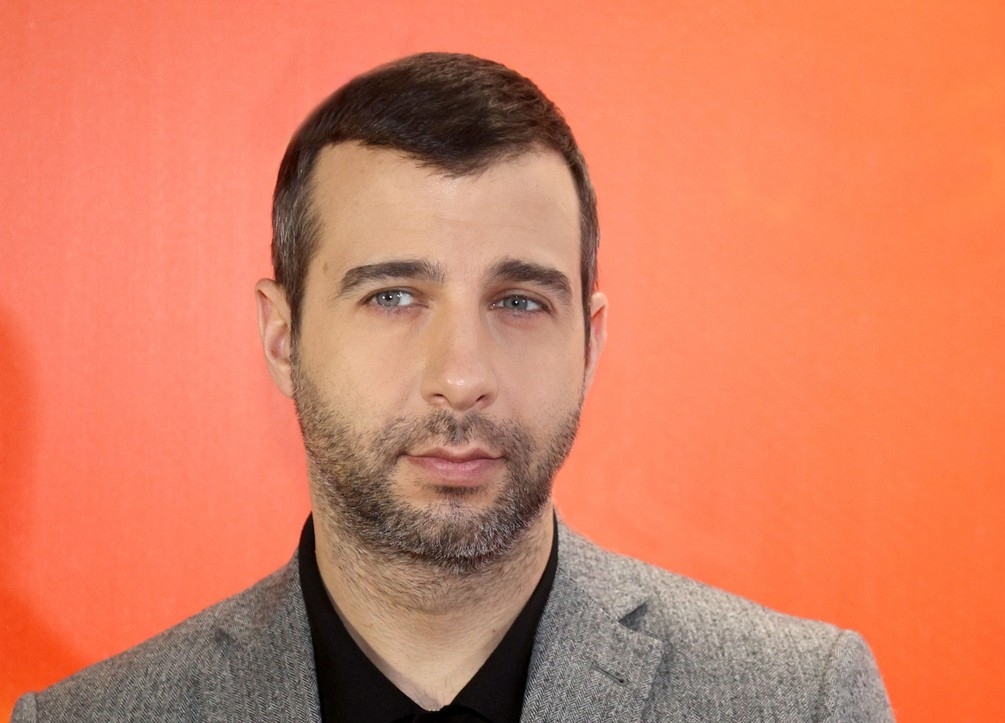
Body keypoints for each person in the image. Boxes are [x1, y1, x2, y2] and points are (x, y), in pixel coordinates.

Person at [13, 52, 894, 722]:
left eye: (518, 301)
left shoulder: (800, 700)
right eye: (394, 297)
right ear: (283, 337)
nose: (462, 377)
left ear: (590, 342)